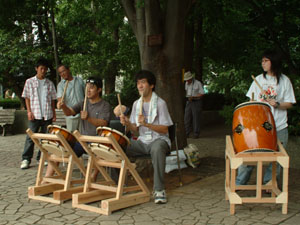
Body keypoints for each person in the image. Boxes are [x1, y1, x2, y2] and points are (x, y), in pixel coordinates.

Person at [236, 49, 296, 186]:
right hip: (258, 126)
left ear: (273, 61)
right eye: (262, 61)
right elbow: (251, 101)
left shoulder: (285, 81)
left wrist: (278, 104)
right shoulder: (258, 79)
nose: (262, 63)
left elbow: (290, 103)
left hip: (279, 125)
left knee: (277, 158)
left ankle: (270, 183)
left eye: (266, 60)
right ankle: (239, 183)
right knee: (250, 154)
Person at [120, 70, 173, 204]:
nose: (140, 86)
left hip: (159, 140)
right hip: (143, 142)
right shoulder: (136, 104)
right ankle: (119, 185)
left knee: (157, 148)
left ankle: (159, 190)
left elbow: (165, 129)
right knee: (119, 145)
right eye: (138, 83)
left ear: (152, 85)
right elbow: (135, 129)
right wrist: (127, 122)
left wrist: (147, 124)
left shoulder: (160, 103)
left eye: (143, 82)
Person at [44, 77, 111, 178]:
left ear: (99, 90)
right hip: (82, 141)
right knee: (59, 150)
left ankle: (91, 178)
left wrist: (88, 118)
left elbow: (104, 123)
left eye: (91, 87)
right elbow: (69, 113)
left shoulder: (105, 105)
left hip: (98, 142)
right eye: (87, 87)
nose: (88, 90)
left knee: (98, 154)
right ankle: (47, 179)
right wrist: (63, 106)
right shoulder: (83, 102)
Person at [20, 58, 57, 169]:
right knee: (31, 137)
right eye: (41, 68)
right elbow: (27, 98)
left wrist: (54, 113)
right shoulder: (29, 82)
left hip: (47, 113)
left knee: (46, 138)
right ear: (37, 69)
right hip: (35, 113)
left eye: (45, 69)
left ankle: (43, 157)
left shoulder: (49, 83)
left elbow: (52, 100)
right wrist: (29, 111)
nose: (43, 71)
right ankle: (26, 159)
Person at [57, 64, 85, 132]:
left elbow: (87, 94)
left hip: (82, 114)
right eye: (60, 73)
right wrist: (60, 103)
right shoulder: (60, 85)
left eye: (63, 71)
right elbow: (60, 99)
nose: (62, 74)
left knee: (84, 137)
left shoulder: (79, 80)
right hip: (71, 116)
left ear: (68, 70)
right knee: (72, 138)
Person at [184, 71, 205, 139]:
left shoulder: (198, 83)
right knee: (186, 117)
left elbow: (202, 93)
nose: (187, 81)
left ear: (191, 78)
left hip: (196, 101)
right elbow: (186, 92)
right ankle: (186, 133)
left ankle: (196, 133)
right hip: (189, 101)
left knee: (196, 118)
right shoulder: (186, 84)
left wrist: (194, 97)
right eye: (186, 80)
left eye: (188, 79)